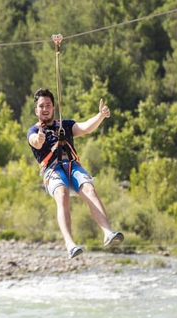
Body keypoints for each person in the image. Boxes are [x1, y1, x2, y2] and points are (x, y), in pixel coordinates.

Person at [27, 88, 124, 260]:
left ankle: (108, 233)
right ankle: (70, 244)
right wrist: (40, 140)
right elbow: (34, 142)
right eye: (41, 106)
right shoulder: (34, 132)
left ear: (54, 108)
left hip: (72, 166)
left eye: (48, 105)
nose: (45, 109)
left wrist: (100, 116)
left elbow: (85, 127)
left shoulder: (66, 125)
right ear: (36, 110)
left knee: (89, 189)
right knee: (62, 194)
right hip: (53, 171)